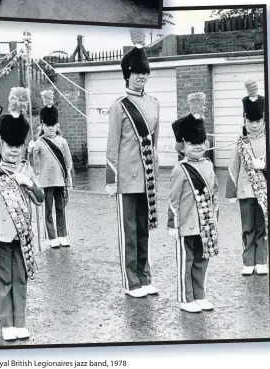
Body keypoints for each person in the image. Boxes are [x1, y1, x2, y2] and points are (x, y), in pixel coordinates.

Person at [0, 87, 45, 341]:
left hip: (23, 237)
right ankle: (6, 323)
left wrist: (28, 183)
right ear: (1, 144)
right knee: (4, 279)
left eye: (18, 146)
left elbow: (39, 199)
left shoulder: (26, 169)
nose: (14, 150)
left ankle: (20, 321)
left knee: (21, 279)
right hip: (2, 238)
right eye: (10, 145)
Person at [105, 30, 160, 298]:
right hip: (126, 180)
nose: (142, 77)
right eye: (137, 72)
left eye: (145, 72)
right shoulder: (119, 106)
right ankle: (131, 282)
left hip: (147, 179)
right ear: (128, 73)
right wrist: (110, 180)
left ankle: (145, 276)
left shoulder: (154, 104)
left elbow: (154, 145)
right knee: (128, 231)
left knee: (143, 230)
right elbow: (112, 145)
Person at [167, 111, 220, 313]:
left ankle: (200, 295)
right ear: (182, 146)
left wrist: (214, 219)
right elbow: (173, 200)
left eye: (201, 142)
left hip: (205, 225)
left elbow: (214, 194)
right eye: (192, 143)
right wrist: (173, 224)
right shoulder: (179, 169)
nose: (198, 146)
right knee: (186, 263)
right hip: (185, 225)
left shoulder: (209, 165)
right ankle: (185, 298)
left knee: (202, 260)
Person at [225, 78, 268, 276]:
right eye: (250, 122)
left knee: (262, 227)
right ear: (245, 121)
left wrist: (266, 166)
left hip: (265, 192)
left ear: (264, 120)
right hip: (244, 191)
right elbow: (233, 168)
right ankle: (248, 261)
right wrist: (231, 193)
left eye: (257, 121)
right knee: (248, 228)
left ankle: (261, 261)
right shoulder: (241, 142)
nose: (254, 126)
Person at [27, 90, 73, 248]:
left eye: (53, 125)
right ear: (42, 125)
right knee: (48, 209)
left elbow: (68, 162)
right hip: (46, 181)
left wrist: (68, 179)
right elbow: (33, 161)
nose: (51, 128)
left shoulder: (62, 141)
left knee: (61, 208)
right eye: (47, 125)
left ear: (57, 125)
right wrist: (31, 150)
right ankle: (52, 236)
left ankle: (62, 235)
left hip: (60, 180)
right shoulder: (39, 141)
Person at [172, 92, 210, 161]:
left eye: (201, 104)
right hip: (190, 153)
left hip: (200, 152)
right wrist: (179, 141)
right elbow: (175, 124)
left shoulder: (200, 119)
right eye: (195, 104)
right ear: (191, 106)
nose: (199, 107)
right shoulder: (185, 121)